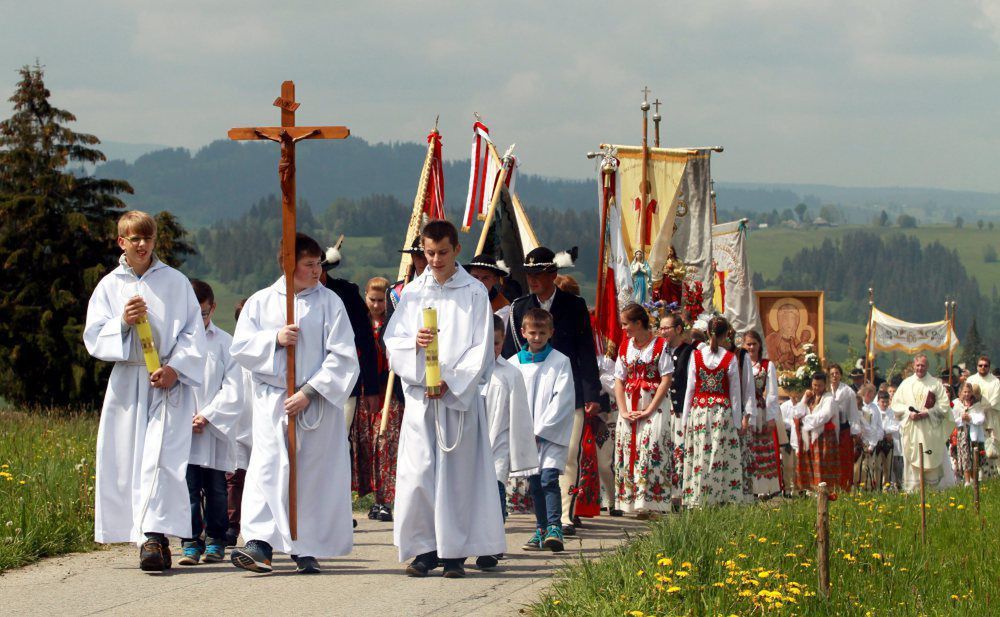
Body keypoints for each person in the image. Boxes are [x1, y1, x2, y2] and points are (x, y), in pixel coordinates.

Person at [229, 233, 360, 575]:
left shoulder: (330, 303)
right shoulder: (261, 302)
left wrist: (310, 391)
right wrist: (274, 339)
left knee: (310, 474)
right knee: (268, 468)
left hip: (314, 402)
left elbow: (344, 355)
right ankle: (260, 543)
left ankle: (306, 546)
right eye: (309, 264)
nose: (317, 270)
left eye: (319, 263)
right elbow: (241, 348)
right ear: (289, 264)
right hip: (274, 399)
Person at [83, 210, 206, 572]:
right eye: (133, 238)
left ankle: (154, 537)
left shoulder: (175, 282)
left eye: (147, 238)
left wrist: (175, 368)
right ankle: (146, 537)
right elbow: (93, 336)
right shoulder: (110, 285)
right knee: (128, 461)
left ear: (155, 242)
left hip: (165, 382)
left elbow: (192, 334)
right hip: (128, 381)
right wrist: (123, 322)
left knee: (161, 461)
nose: (141, 245)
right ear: (121, 242)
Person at [384, 220, 504, 579]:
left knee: (457, 477)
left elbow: (481, 347)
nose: (435, 260)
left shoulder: (474, 293)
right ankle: (425, 549)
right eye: (429, 253)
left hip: (457, 400)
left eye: (442, 253)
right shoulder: (413, 293)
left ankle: (455, 553)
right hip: (422, 398)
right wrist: (414, 346)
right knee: (420, 473)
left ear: (456, 251)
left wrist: (451, 382)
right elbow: (394, 342)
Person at [502, 246, 601, 537]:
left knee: (568, 455)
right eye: (529, 273)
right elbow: (511, 352)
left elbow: (585, 351)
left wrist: (591, 393)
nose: (533, 279)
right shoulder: (519, 307)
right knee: (536, 464)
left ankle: (565, 516)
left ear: (553, 274)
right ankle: (544, 520)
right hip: (532, 395)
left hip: (569, 393)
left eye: (540, 273)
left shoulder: (574, 305)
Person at [179, 280, 246, 565]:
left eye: (204, 314)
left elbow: (233, 387)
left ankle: (216, 539)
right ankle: (191, 540)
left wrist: (209, 415)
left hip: (213, 428)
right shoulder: (177, 343)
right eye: (193, 314)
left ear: (213, 309)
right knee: (189, 489)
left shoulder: (225, 343)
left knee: (217, 489)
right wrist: (184, 417)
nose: (199, 320)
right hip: (185, 429)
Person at [512, 308, 576, 552]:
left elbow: (563, 399)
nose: (537, 337)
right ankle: (540, 528)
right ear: (523, 333)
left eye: (542, 332)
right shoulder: (514, 363)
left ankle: (554, 527)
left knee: (549, 478)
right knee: (534, 482)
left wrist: (540, 429)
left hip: (550, 434)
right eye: (532, 333)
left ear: (551, 333)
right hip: (526, 434)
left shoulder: (560, 361)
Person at [482, 314, 537, 566]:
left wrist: (521, 453)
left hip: (498, 447)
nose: (491, 348)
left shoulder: (510, 373)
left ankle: (491, 546)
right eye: (486, 342)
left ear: (503, 340)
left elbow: (520, 415)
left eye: (496, 343)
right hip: (471, 448)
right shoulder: (466, 372)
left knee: (495, 496)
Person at [612, 303, 675, 517]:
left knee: (652, 448)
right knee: (630, 450)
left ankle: (653, 503)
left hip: (653, 403)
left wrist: (649, 409)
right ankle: (635, 503)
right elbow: (619, 380)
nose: (623, 328)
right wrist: (622, 410)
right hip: (630, 405)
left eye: (625, 324)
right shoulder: (624, 346)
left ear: (638, 323)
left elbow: (666, 379)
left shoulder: (660, 345)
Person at [350, 276, 403, 522]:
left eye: (381, 300)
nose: (376, 305)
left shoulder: (393, 325)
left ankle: (386, 500)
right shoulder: (360, 325)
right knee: (365, 445)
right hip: (363, 391)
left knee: (384, 445)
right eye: (372, 299)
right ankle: (371, 497)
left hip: (388, 392)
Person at [320, 241, 380, 456]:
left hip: (344, 383)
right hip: (307, 386)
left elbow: (365, 340)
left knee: (338, 442)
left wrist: (371, 387)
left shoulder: (346, 293)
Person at [680, 316, 746, 507]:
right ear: (727, 335)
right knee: (718, 454)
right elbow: (735, 394)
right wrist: (736, 423)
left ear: (708, 333)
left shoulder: (696, 356)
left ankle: (698, 499)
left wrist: (685, 420)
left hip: (699, 411)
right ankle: (719, 497)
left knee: (700, 454)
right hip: (721, 413)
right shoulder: (730, 358)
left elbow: (690, 389)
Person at [890, 354, 955, 493]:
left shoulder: (935, 384)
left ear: (927, 366)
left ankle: (933, 493)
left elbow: (944, 407)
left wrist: (927, 413)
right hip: (913, 430)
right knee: (914, 464)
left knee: (930, 460)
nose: (920, 368)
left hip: (930, 432)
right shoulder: (906, 384)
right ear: (914, 366)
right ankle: (914, 494)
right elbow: (896, 404)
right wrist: (909, 413)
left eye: (923, 365)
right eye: (918, 365)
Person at [225, 298, 253, 548]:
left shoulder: (267, 348)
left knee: (261, 476)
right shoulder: (231, 348)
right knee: (235, 475)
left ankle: (260, 528)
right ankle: (232, 526)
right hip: (237, 421)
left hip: (261, 420)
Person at [743, 331, 783, 498]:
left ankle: (764, 487)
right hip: (745, 410)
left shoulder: (767, 365)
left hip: (760, 410)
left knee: (761, 449)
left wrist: (771, 417)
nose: (751, 347)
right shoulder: (741, 363)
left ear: (759, 345)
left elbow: (772, 393)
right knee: (748, 448)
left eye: (754, 344)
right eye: (748, 344)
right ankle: (748, 487)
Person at [793, 372, 840, 493]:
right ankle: (810, 491)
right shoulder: (810, 397)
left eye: (819, 385)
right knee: (810, 463)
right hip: (809, 436)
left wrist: (806, 420)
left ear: (825, 385)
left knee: (823, 465)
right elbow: (797, 412)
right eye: (814, 385)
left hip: (824, 437)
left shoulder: (829, 398)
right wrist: (804, 398)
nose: (816, 388)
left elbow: (824, 416)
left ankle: (824, 492)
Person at [827, 364, 862, 492]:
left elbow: (853, 413)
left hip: (843, 429)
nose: (834, 376)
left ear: (840, 375)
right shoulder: (826, 390)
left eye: (837, 373)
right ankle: (830, 488)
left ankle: (844, 487)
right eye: (832, 373)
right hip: (828, 430)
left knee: (844, 460)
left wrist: (855, 431)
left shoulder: (848, 392)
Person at [951, 382, 987, 486]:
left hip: (974, 434)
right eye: (965, 392)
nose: (967, 394)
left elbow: (981, 418)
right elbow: (953, 419)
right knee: (965, 456)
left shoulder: (976, 404)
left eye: (969, 391)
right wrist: (961, 418)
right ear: (961, 392)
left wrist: (970, 418)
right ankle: (967, 481)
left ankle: (974, 479)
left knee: (974, 455)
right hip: (962, 433)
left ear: (972, 392)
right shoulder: (957, 404)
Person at [467, 253, 512, 327]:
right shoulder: (459, 299)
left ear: (495, 280)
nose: (479, 282)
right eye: (475, 277)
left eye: (485, 278)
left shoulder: (503, 308)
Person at [855, 383, 884, 490]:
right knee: (860, 469)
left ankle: (870, 489)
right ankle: (859, 489)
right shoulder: (858, 405)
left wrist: (874, 443)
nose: (872, 396)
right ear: (866, 393)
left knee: (872, 468)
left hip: (873, 443)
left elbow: (878, 426)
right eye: (870, 393)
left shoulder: (875, 408)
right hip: (861, 442)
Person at [873, 390, 902, 490]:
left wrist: (885, 431)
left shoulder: (891, 412)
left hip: (888, 443)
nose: (885, 404)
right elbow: (873, 426)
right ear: (878, 401)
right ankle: (877, 487)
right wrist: (882, 432)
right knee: (877, 466)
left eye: (887, 402)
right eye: (882, 402)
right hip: (877, 442)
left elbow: (896, 426)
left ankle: (886, 487)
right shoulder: (875, 411)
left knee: (887, 467)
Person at [779, 390, 802, 495]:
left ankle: (797, 488)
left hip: (799, 437)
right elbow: (780, 422)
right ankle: (787, 488)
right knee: (788, 464)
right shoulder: (784, 406)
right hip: (787, 437)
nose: (795, 394)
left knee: (797, 464)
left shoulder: (802, 405)